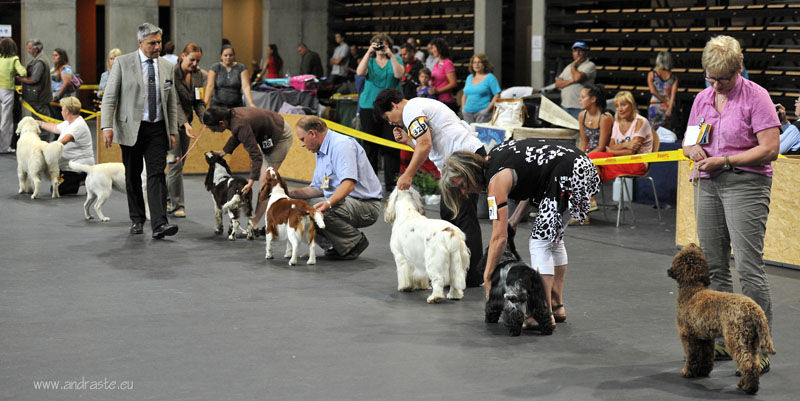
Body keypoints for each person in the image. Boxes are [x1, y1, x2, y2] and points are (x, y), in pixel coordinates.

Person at [682, 35, 779, 373]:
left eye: (724, 78)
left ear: (739, 68)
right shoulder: (702, 98)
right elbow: (689, 140)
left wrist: (725, 161)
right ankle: (727, 339)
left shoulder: (758, 97)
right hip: (708, 184)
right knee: (715, 266)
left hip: (746, 184)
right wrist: (692, 150)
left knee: (749, 267)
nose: (717, 85)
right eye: (711, 78)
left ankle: (756, 346)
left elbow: (770, 149)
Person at [440, 139, 600, 327]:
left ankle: (542, 314)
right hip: (580, 165)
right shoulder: (497, 158)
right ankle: (556, 306)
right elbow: (533, 184)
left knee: (540, 242)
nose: (464, 192)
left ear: (469, 173)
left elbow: (499, 238)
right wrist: (514, 219)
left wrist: (487, 275)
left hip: (566, 172)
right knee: (553, 241)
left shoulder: (495, 181)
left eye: (462, 186)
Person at [374, 88, 486, 286]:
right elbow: (425, 145)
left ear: (393, 105)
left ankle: (472, 275)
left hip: (463, 161)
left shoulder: (412, 110)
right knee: (451, 215)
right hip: (458, 163)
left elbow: (425, 146)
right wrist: (408, 141)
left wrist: (407, 175)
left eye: (387, 117)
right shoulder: (416, 109)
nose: (390, 122)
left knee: (463, 217)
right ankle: (460, 272)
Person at [100, 22, 179, 239]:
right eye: (152, 43)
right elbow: (109, 97)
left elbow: (171, 102)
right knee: (132, 176)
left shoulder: (166, 66)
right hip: (130, 128)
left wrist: (172, 130)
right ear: (140, 42)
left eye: (159, 42)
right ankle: (137, 218)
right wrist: (107, 126)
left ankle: (160, 224)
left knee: (156, 175)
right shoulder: (123, 63)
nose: (157, 47)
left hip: (156, 128)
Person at [288, 116, 382, 260]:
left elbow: (348, 184)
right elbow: (317, 189)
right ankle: (334, 246)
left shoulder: (341, 145)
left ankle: (354, 242)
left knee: (313, 207)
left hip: (366, 206)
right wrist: (288, 194)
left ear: (312, 133)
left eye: (302, 139)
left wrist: (328, 203)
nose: (302, 144)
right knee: (297, 205)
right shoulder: (320, 151)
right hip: (347, 203)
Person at [203, 106, 294, 229]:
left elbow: (255, 155)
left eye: (213, 129)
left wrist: (251, 181)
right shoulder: (230, 117)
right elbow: (237, 135)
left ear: (221, 123)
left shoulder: (239, 123)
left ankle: (254, 223)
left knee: (264, 183)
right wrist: (223, 152)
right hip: (269, 133)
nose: (213, 132)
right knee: (265, 180)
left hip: (280, 135)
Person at [356, 33, 404, 191]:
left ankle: (392, 183)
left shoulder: (395, 61)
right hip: (369, 107)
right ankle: (370, 182)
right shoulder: (369, 61)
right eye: (378, 45)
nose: (381, 48)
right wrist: (368, 52)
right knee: (370, 147)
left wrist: (391, 55)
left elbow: (399, 74)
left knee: (391, 145)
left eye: (383, 44)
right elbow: (360, 73)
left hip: (391, 109)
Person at [167, 42, 206, 218]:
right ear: (183, 56)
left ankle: (167, 200)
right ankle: (177, 206)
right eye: (192, 60)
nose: (195, 64)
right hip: (171, 124)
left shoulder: (198, 76)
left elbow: (199, 101)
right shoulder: (171, 74)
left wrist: (206, 118)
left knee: (179, 164)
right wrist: (185, 124)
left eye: (197, 61)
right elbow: (173, 103)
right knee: (175, 164)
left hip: (186, 123)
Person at [587, 91, 653, 182]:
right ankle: (592, 187)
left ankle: (591, 188)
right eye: (617, 106)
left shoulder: (641, 122)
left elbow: (630, 152)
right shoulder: (618, 122)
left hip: (637, 162)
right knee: (591, 156)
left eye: (623, 105)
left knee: (597, 168)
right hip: (620, 158)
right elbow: (611, 146)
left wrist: (613, 151)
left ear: (632, 105)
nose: (620, 109)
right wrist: (626, 144)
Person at [36, 97, 95, 194]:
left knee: (57, 190)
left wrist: (43, 148)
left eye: (62, 109)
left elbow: (64, 140)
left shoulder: (78, 125)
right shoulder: (69, 123)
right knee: (55, 186)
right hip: (69, 166)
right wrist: (40, 123)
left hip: (79, 167)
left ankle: (84, 180)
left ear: (67, 111)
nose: (61, 112)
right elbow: (55, 128)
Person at [555, 41, 596, 120]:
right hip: (565, 106)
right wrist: (572, 81)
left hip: (580, 107)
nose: (578, 53)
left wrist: (574, 66)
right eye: (575, 51)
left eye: (580, 50)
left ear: (585, 52)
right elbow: (557, 84)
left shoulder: (590, 65)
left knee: (580, 130)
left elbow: (577, 78)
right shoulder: (568, 67)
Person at [204, 44, 254, 109]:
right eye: (225, 55)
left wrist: (251, 103)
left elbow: (246, 87)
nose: (228, 57)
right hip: (217, 105)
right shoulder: (215, 67)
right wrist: (205, 102)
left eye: (230, 55)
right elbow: (210, 86)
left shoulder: (241, 68)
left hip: (236, 105)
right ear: (221, 56)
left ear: (234, 56)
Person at [17, 39, 52, 126]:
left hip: (39, 97)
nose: (28, 51)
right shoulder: (40, 59)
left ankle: (43, 139)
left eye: (30, 48)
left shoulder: (39, 62)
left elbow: (34, 79)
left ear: (36, 49)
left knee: (41, 121)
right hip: (39, 97)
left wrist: (20, 79)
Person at [0, 38, 26, 153]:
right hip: (7, 91)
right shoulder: (14, 59)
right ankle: (4, 147)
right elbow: (23, 72)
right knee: (6, 120)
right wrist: (15, 74)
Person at [461, 53, 501, 124]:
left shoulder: (490, 77)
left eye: (479, 62)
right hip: (467, 114)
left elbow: (497, 94)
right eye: (474, 62)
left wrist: (487, 109)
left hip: (482, 114)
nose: (476, 64)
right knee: (468, 134)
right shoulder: (469, 77)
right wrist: (463, 108)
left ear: (484, 64)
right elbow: (464, 94)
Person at [647, 51, 678, 131]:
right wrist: (670, 107)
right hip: (668, 106)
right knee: (667, 133)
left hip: (655, 105)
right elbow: (673, 95)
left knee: (654, 132)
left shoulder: (652, 74)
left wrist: (663, 101)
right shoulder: (674, 76)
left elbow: (653, 91)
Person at [577, 84, 613, 154]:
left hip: (602, 154)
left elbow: (601, 147)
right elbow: (584, 141)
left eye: (583, 97)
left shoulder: (605, 118)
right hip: (589, 153)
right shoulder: (582, 115)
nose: (579, 100)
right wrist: (579, 156)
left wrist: (586, 158)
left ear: (593, 99)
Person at [427, 38, 457, 111]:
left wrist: (438, 91)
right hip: (436, 99)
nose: (431, 51)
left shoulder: (447, 63)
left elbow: (453, 83)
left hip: (445, 101)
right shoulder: (436, 63)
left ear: (439, 48)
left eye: (433, 48)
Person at [50, 48, 75, 116]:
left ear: (61, 57)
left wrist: (57, 96)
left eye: (56, 55)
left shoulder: (66, 68)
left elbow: (66, 83)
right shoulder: (54, 69)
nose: (53, 57)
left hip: (62, 97)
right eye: (53, 55)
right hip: (53, 97)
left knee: (60, 117)